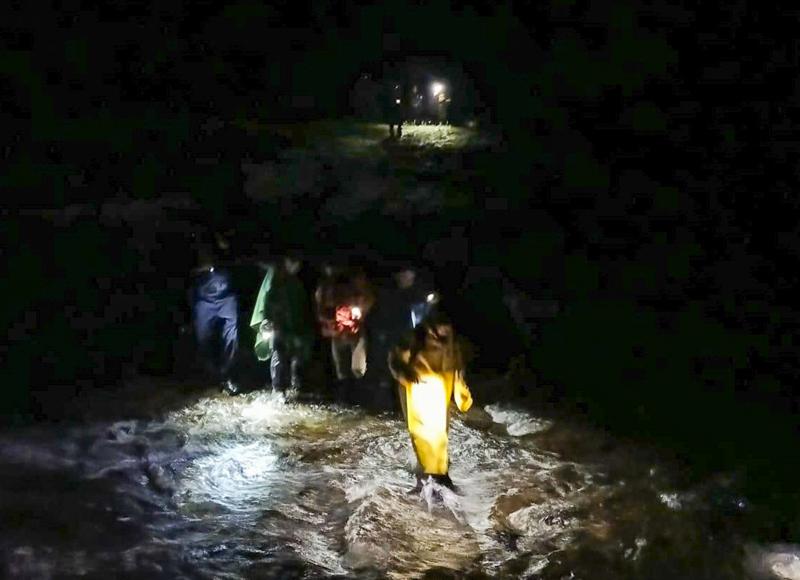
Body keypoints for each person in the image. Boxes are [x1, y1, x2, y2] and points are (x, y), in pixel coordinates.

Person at [388, 312, 473, 491]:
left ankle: (441, 476)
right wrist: (405, 373)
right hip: (416, 389)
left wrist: (460, 388)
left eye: (448, 328)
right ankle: (424, 479)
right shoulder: (414, 339)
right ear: (431, 326)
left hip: (440, 390)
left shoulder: (452, 342)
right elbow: (395, 360)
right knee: (420, 434)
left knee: (439, 434)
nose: (445, 331)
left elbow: (457, 366)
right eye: (441, 326)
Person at [366, 264, 439, 411]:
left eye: (409, 275)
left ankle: (409, 405)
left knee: (412, 372)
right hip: (392, 339)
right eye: (403, 275)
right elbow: (379, 317)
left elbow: (428, 315)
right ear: (397, 277)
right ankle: (388, 405)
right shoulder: (389, 295)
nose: (406, 278)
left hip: (413, 340)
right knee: (390, 372)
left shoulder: (419, 294)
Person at [250, 252, 314, 393]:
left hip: (293, 326)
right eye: (293, 262)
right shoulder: (274, 278)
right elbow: (267, 302)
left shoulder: (295, 282)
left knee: (297, 354)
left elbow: (301, 305)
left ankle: (295, 384)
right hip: (278, 326)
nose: (296, 266)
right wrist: (267, 321)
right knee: (279, 355)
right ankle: (279, 389)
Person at [191, 230, 241, 395]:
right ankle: (212, 375)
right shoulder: (195, 244)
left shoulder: (226, 249)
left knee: (231, 336)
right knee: (203, 338)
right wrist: (202, 269)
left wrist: (221, 257)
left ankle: (228, 375)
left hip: (226, 297)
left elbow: (236, 264)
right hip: (204, 300)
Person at [315, 263, 375, 399]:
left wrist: (358, 314)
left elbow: (366, 303)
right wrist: (331, 324)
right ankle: (344, 395)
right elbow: (321, 310)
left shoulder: (354, 286)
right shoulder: (326, 288)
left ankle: (357, 395)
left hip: (354, 333)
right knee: (341, 367)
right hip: (338, 333)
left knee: (357, 367)